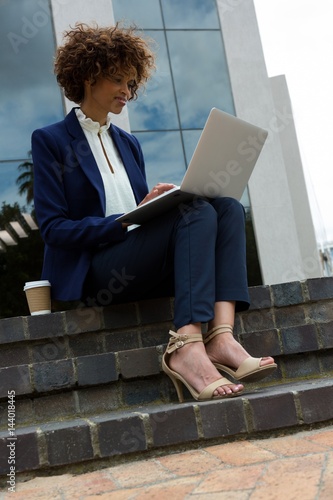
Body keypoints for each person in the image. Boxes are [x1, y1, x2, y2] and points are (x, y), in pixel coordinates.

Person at [32, 23, 277, 403]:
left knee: (226, 206)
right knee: (193, 212)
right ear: (86, 76)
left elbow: (138, 216)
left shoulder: (128, 144)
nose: (127, 92)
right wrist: (124, 220)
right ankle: (186, 348)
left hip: (137, 262)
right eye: (118, 80)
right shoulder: (50, 141)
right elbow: (53, 228)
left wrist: (148, 208)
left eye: (132, 84)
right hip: (96, 273)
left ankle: (221, 337)